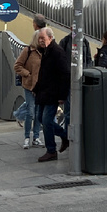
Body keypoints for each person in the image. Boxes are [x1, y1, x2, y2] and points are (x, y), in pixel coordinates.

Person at [33, 28, 70, 162]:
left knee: (47, 120)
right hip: (44, 91)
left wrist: (62, 95)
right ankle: (65, 135)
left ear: (50, 37)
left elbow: (65, 74)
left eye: (43, 38)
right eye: (39, 38)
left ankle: (51, 150)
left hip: (52, 92)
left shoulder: (57, 52)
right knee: (41, 118)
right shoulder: (47, 51)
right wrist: (36, 88)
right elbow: (44, 73)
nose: (40, 41)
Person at [13, 27, 44, 150]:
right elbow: (17, 65)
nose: (42, 40)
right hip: (29, 85)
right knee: (30, 112)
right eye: (40, 38)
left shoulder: (45, 52)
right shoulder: (28, 51)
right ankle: (27, 137)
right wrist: (27, 74)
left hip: (41, 87)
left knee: (38, 113)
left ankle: (36, 137)